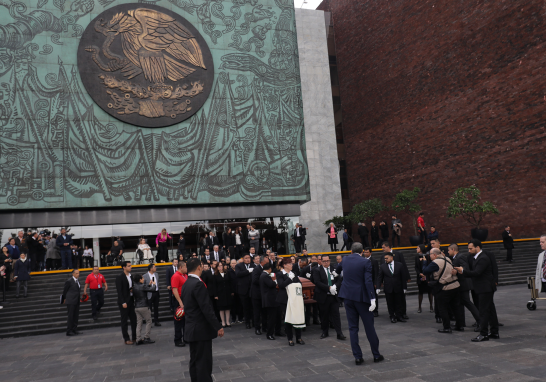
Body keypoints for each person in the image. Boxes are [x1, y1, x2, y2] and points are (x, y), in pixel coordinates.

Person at [336, 242, 383, 365]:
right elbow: (368, 281)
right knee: (369, 327)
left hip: (347, 296)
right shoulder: (365, 262)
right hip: (361, 298)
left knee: (353, 328)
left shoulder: (345, 259)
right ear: (362, 252)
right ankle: (376, 355)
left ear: (351, 251)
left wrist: (335, 275)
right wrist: (373, 298)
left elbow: (337, 270)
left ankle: (357, 357)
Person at [181, 258, 224, 382]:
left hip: (191, 328)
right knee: (203, 363)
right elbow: (206, 309)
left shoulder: (186, 283)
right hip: (201, 330)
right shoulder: (198, 284)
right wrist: (218, 326)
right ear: (199, 267)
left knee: (194, 360)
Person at [454, 239, 499, 342]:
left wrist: (463, 271)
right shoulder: (476, 258)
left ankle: (484, 334)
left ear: (477, 247)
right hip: (484, 288)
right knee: (490, 310)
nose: (469, 250)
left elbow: (477, 272)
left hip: (485, 288)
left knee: (483, 311)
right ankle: (494, 332)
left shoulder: (483, 258)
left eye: (471, 248)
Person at [421, 248, 464, 333]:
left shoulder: (435, 263)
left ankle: (447, 327)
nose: (429, 256)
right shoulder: (447, 258)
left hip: (445, 288)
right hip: (455, 286)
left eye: (430, 254)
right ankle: (460, 326)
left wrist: (425, 262)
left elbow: (425, 271)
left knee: (443, 308)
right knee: (456, 307)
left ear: (435, 255)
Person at [312, 254, 346, 340]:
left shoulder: (334, 269)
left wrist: (335, 286)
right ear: (321, 261)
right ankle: (325, 332)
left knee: (336, 315)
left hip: (333, 296)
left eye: (327, 261)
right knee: (324, 315)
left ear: (330, 260)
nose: (326, 263)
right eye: (324, 261)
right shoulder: (317, 270)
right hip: (323, 296)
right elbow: (317, 282)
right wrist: (328, 288)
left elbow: (339, 279)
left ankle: (339, 333)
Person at [448, 244, 480, 328]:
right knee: (460, 303)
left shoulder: (460, 257)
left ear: (453, 249)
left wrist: (457, 271)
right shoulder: (456, 257)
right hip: (461, 284)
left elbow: (465, 268)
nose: (448, 252)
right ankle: (460, 323)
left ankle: (480, 320)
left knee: (467, 302)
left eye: (449, 250)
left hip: (464, 284)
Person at [276, 258, 305, 346]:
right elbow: (281, 285)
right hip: (285, 299)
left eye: (292, 264)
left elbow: (299, 284)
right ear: (284, 265)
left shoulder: (294, 273)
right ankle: (290, 339)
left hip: (295, 299)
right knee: (288, 318)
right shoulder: (280, 274)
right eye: (290, 264)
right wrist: (289, 279)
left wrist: (292, 279)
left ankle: (299, 338)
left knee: (297, 317)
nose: (292, 265)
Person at [381, 241, 410, 319]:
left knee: (401, 299)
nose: (382, 249)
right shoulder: (382, 256)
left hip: (398, 281)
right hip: (389, 282)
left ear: (387, 247)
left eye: (383, 247)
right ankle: (393, 314)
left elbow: (403, 265)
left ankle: (402, 313)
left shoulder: (398, 254)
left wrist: (407, 277)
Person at [377, 252, 408, 323]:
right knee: (390, 303)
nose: (385, 260)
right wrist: (378, 287)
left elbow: (403, 277)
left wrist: (404, 287)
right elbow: (379, 277)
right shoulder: (383, 266)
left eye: (387, 258)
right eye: (385, 258)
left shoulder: (399, 265)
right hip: (388, 288)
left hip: (398, 287)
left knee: (399, 302)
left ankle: (399, 316)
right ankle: (392, 316)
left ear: (392, 257)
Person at [116, 261, 137, 345]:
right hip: (124, 302)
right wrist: (123, 302)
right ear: (124, 267)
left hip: (131, 300)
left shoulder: (131, 276)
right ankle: (126, 338)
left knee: (134, 320)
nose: (130, 267)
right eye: (129, 266)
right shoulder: (120, 277)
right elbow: (119, 291)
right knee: (124, 321)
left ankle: (135, 337)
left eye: (130, 265)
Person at [132, 273, 156, 345]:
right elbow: (152, 289)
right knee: (149, 321)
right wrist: (154, 284)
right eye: (142, 278)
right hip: (144, 306)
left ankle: (138, 339)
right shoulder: (142, 286)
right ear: (140, 280)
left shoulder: (134, 287)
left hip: (137, 306)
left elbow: (143, 290)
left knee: (139, 323)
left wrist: (148, 285)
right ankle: (147, 337)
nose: (144, 279)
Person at [260, 262, 281, 340]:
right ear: (269, 269)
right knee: (271, 318)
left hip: (272, 299)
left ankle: (277, 331)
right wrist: (275, 281)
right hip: (270, 300)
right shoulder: (265, 276)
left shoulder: (264, 275)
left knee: (276, 316)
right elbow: (271, 284)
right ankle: (269, 334)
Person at [235, 254, 255, 329]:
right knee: (246, 308)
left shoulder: (253, 265)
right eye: (246, 258)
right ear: (243, 259)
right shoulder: (239, 266)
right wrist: (248, 271)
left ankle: (254, 322)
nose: (247, 259)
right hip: (243, 290)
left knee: (253, 307)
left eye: (249, 258)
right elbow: (238, 274)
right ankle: (247, 323)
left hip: (252, 289)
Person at [171, 260, 188, 347]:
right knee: (178, 320)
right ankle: (177, 340)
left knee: (186, 320)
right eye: (185, 267)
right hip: (179, 300)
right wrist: (180, 302)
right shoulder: (176, 276)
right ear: (180, 267)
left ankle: (186, 338)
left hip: (186, 298)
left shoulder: (185, 275)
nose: (187, 268)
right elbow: (175, 290)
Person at [251, 255, 269, 335]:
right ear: (262, 262)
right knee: (257, 312)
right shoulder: (257, 269)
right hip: (257, 295)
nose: (268, 263)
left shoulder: (267, 269)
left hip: (264, 294)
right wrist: (264, 281)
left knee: (264, 312)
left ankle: (265, 327)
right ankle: (257, 328)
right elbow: (254, 280)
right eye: (266, 262)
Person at [62, 269, 82, 336]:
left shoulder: (77, 281)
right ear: (73, 274)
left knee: (75, 315)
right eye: (76, 273)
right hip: (70, 301)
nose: (78, 274)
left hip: (76, 301)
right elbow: (65, 290)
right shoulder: (69, 281)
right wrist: (64, 298)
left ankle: (74, 329)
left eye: (78, 273)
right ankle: (69, 330)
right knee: (71, 316)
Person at [415, 244, 433, 314]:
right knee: (420, 292)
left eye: (418, 248)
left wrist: (425, 274)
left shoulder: (427, 256)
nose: (416, 249)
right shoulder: (416, 257)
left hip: (427, 275)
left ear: (421, 249)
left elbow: (430, 265)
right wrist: (420, 273)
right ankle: (419, 307)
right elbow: (416, 267)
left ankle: (431, 306)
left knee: (430, 292)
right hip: (420, 275)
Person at [214, 262, 233, 327]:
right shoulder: (215, 275)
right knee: (221, 308)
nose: (220, 267)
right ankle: (223, 322)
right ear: (217, 267)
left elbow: (230, 282)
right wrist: (215, 295)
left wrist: (231, 291)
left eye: (221, 266)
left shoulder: (227, 273)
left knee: (227, 308)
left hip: (227, 292)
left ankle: (228, 321)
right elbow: (215, 286)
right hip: (220, 293)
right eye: (219, 266)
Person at [363, 248, 379, 316]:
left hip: (372, 281)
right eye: (365, 252)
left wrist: (376, 283)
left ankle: (375, 310)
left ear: (370, 253)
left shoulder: (374, 261)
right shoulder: (362, 260)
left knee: (374, 296)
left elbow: (376, 272)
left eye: (367, 252)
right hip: (364, 281)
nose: (365, 253)